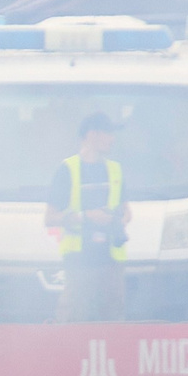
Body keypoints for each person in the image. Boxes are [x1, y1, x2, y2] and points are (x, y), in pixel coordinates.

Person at [46, 111, 129, 323]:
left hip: (111, 261)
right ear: (92, 135)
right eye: (108, 133)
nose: (113, 139)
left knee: (113, 317)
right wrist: (86, 217)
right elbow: (50, 218)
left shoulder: (115, 170)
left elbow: (127, 211)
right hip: (80, 261)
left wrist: (117, 219)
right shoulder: (67, 169)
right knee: (75, 316)